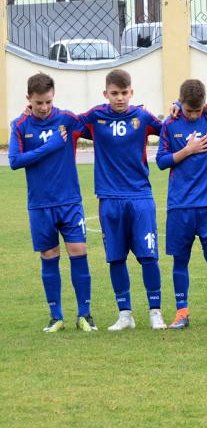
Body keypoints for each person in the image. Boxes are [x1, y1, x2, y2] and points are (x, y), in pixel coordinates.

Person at [79, 69, 165, 331]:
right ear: (106, 94)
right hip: (109, 199)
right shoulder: (95, 117)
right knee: (115, 258)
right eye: (114, 94)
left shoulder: (142, 117)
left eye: (124, 93)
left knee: (148, 256)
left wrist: (178, 108)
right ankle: (125, 314)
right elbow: (63, 121)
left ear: (132, 93)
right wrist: (27, 115)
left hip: (140, 197)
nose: (119, 98)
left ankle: (155, 312)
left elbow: (172, 129)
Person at [9, 73, 95, 333]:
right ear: (28, 100)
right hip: (40, 205)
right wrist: (52, 145)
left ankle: (85, 315)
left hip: (69, 202)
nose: (44, 108)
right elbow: (14, 161)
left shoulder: (67, 120)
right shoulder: (20, 125)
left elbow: (99, 122)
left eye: (48, 101)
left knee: (79, 252)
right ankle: (56, 316)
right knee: (49, 256)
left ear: (53, 96)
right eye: (38, 103)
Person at [156, 79, 207, 329]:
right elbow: (161, 161)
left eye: (196, 109)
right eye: (187, 110)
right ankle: (182, 312)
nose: (192, 115)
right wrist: (188, 150)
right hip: (180, 206)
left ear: (204, 104)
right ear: (179, 103)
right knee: (179, 260)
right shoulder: (170, 124)